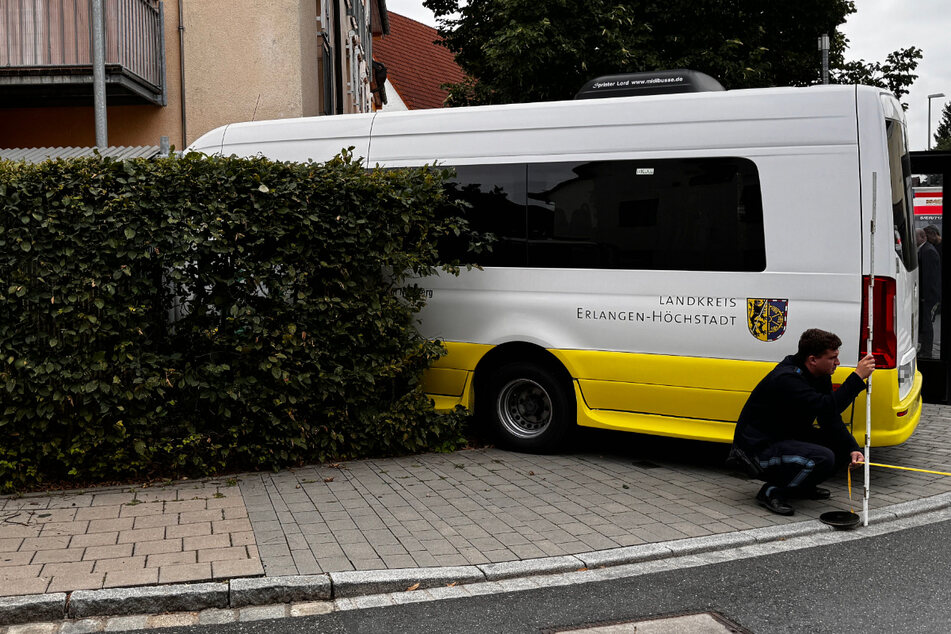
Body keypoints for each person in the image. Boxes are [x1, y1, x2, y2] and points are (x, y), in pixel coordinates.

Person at [729, 329, 875, 516]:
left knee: (841, 449)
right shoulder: (787, 378)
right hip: (756, 451)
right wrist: (856, 378)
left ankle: (800, 486)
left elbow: (828, 417)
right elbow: (826, 407)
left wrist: (853, 448)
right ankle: (772, 491)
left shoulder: (818, 376)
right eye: (832, 358)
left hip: (784, 439)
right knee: (822, 457)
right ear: (813, 359)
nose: (837, 363)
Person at [917, 228, 941, 357]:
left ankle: (927, 351)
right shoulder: (926, 249)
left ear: (922, 237)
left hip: (929, 296)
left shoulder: (928, 251)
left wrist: (924, 296)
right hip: (928, 295)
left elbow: (928, 277)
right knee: (925, 322)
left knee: (927, 324)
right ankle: (925, 349)